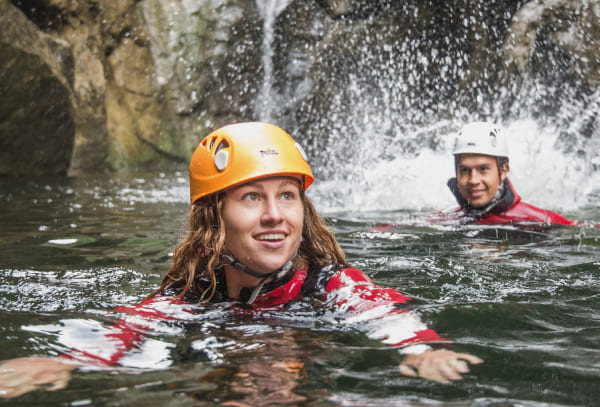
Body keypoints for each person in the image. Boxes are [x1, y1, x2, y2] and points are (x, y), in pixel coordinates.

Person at [0, 122, 482, 399]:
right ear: (215, 217)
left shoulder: (329, 284)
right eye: (252, 197)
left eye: (288, 196)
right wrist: (64, 361)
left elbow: (382, 311)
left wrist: (422, 348)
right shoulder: (194, 289)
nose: (276, 215)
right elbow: (132, 327)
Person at [441, 121, 577, 225]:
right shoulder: (443, 220)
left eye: (483, 169)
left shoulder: (545, 221)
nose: (473, 180)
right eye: (464, 170)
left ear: (503, 170)